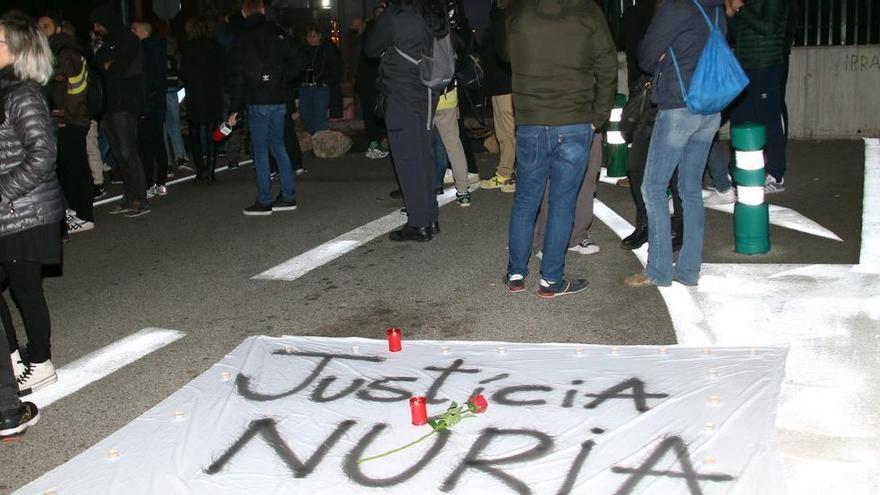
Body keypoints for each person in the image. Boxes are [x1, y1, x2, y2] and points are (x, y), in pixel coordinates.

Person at [502, 0, 617, 298]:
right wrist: (599, 117)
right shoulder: (588, 11)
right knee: (563, 204)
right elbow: (607, 64)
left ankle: (516, 273)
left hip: (530, 121)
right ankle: (551, 279)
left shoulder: (519, 12)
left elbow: (504, 54)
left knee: (526, 202)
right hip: (575, 120)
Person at [625, 0, 726, 288]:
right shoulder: (715, 8)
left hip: (679, 107)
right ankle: (689, 270)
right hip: (709, 107)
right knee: (690, 188)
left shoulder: (676, 8)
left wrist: (664, 56)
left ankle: (658, 270)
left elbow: (645, 56)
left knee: (653, 188)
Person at [0, 14, 65, 396]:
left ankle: (40, 363)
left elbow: (42, 155)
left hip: (24, 212)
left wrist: (3, 190)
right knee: (22, 290)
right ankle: (13, 359)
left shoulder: (22, 93)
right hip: (12, 211)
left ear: (17, 51)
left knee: (26, 291)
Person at [365, 0, 448, 242]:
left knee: (408, 160)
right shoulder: (433, 11)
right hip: (428, 92)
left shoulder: (396, 15)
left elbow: (370, 48)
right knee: (423, 156)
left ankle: (419, 223)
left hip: (403, 93)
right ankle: (430, 217)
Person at [227, 0, 303, 216]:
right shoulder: (276, 32)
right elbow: (299, 60)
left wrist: (234, 107)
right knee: (278, 146)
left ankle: (264, 200)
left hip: (257, 99)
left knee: (260, 150)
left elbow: (237, 76)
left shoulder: (241, 38)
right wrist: (280, 79)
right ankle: (288, 195)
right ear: (262, 10)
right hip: (278, 98)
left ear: (244, 12)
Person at [90, 2, 150, 217]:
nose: (96, 29)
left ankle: (140, 199)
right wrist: (105, 64)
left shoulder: (129, 39)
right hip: (109, 104)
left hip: (126, 104)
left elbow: (115, 70)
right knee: (118, 153)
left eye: (98, 24)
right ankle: (129, 195)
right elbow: (96, 64)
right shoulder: (110, 42)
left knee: (128, 150)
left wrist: (107, 65)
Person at [40, 15, 96, 234]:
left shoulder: (66, 52)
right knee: (69, 168)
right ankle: (78, 209)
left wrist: (62, 113)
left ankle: (84, 215)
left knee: (76, 168)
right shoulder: (57, 50)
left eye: (45, 26)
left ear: (58, 28)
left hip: (72, 119)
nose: (41, 30)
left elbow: (76, 88)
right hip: (67, 119)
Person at [726, 0, 789, 193]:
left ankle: (776, 174)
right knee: (740, 120)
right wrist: (731, 15)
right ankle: (742, 171)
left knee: (769, 121)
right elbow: (739, 34)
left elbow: (768, 28)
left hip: (766, 66)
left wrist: (741, 9)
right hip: (746, 67)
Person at [180, 17, 225, 184]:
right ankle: (211, 169)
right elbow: (223, 69)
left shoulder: (189, 48)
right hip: (213, 93)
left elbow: (183, 73)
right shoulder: (216, 47)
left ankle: (201, 169)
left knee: (195, 132)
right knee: (212, 132)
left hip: (196, 94)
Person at [478, 0, 516, 194]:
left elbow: (504, 53)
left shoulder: (503, 17)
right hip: (502, 84)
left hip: (504, 84)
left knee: (507, 132)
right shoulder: (510, 16)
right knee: (506, 131)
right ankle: (508, 173)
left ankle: (506, 174)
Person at [132, 21, 169, 198]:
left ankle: (147, 184)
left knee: (145, 146)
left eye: (134, 30)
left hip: (147, 104)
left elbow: (144, 78)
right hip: (158, 102)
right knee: (158, 143)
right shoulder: (160, 48)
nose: (132, 33)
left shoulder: (143, 51)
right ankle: (161, 182)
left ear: (143, 32)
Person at [355, 6, 389, 160]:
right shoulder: (377, 32)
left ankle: (375, 143)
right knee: (375, 113)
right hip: (372, 80)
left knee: (372, 113)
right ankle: (375, 144)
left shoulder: (369, 31)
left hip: (367, 80)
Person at [299, 23, 343, 135]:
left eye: (314, 36)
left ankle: (320, 141)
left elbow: (336, 66)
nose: (311, 39)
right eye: (309, 36)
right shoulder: (303, 49)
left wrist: (326, 81)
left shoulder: (327, 47)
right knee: (305, 115)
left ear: (319, 35)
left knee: (319, 115)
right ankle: (313, 138)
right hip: (306, 86)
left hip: (320, 87)